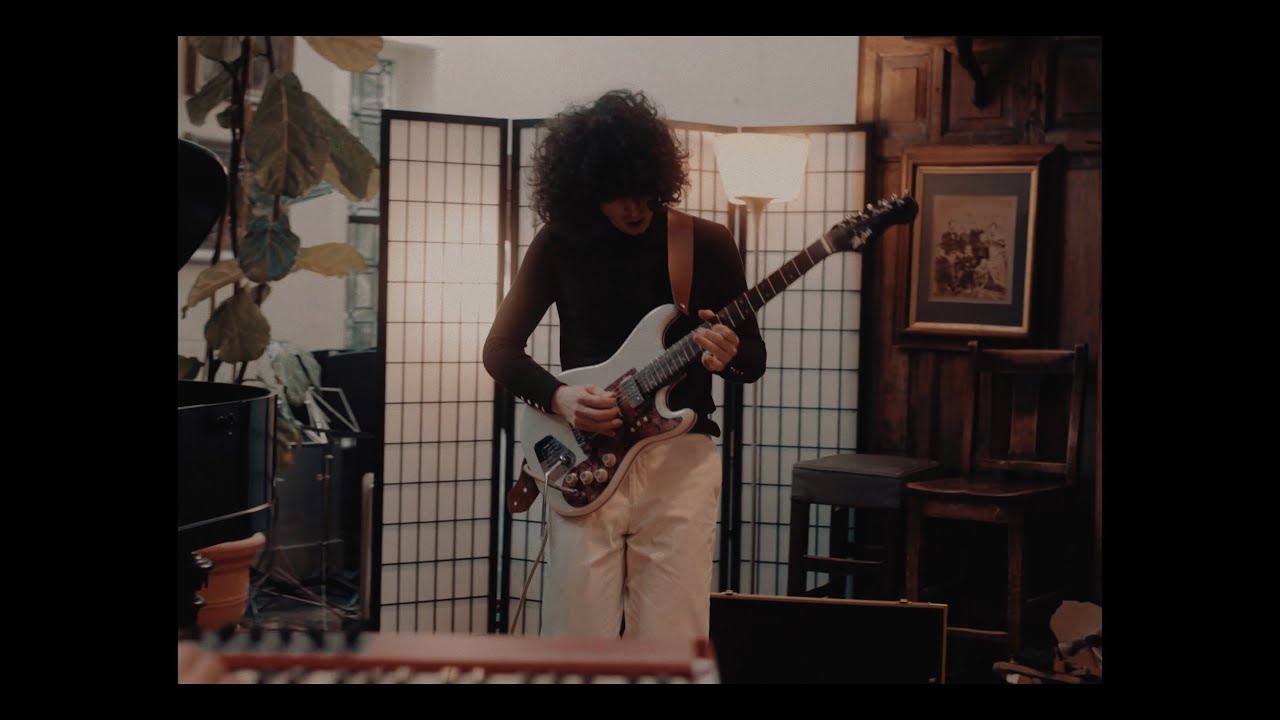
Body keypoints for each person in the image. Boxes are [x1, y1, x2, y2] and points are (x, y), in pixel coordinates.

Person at [483, 89, 766, 644]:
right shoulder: (559, 243)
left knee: (672, 640)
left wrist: (729, 356)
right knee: (576, 639)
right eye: (616, 196)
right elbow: (500, 350)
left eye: (642, 192)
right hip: (585, 459)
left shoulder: (705, 242)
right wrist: (560, 397)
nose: (634, 209)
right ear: (585, 190)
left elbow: (751, 360)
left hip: (679, 463)